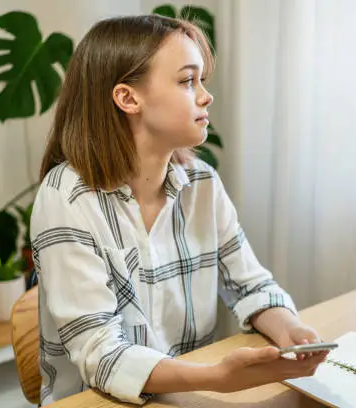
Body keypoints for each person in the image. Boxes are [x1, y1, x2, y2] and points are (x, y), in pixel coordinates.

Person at [31, 14, 328, 405]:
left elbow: (250, 285)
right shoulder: (66, 198)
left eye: (201, 80)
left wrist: (289, 329)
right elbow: (100, 353)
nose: (206, 95)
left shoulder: (202, 184)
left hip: (185, 395)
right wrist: (217, 378)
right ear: (127, 98)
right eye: (188, 81)